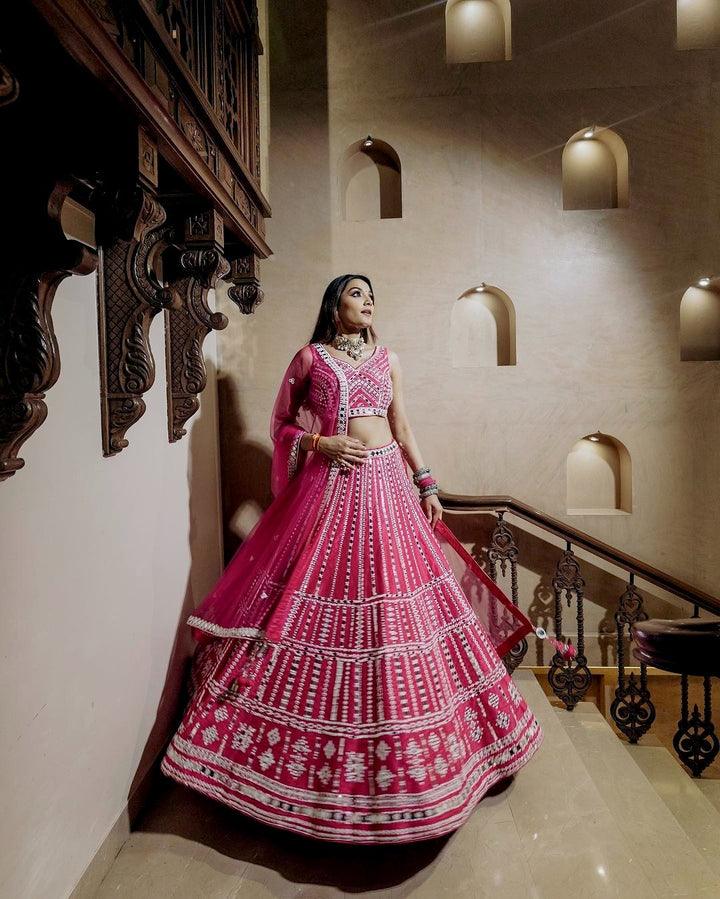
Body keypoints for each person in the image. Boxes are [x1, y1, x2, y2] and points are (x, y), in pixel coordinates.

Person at [161, 274, 546, 844]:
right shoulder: (309, 358)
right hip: (333, 485)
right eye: (356, 293)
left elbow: (401, 424)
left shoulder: (388, 358)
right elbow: (282, 425)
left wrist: (426, 480)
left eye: (372, 295)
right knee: (319, 602)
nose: (368, 301)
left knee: (403, 605)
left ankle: (439, 757)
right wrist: (322, 444)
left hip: (389, 485)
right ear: (334, 304)